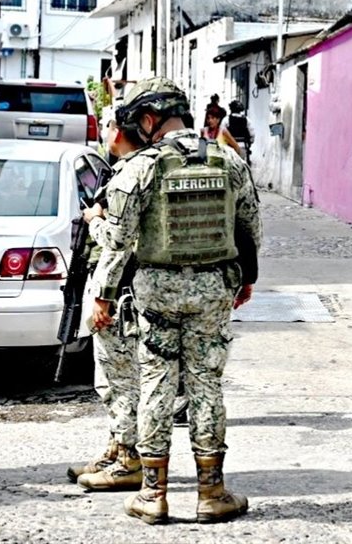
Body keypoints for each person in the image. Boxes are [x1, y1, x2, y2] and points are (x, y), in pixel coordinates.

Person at [82, 77, 261, 525]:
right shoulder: (228, 160)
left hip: (157, 292)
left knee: (157, 386)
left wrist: (102, 289)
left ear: (148, 120)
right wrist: (247, 279)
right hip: (213, 291)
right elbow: (250, 226)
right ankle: (211, 492)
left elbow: (119, 242)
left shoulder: (140, 167)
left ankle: (153, 494)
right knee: (206, 386)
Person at [67, 112, 143, 492]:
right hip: (117, 287)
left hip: (120, 291)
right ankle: (117, 447)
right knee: (109, 377)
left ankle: (130, 458)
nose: (104, 133)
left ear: (120, 133)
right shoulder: (121, 170)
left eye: (109, 126)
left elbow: (118, 243)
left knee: (120, 378)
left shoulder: (131, 175)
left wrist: (104, 296)